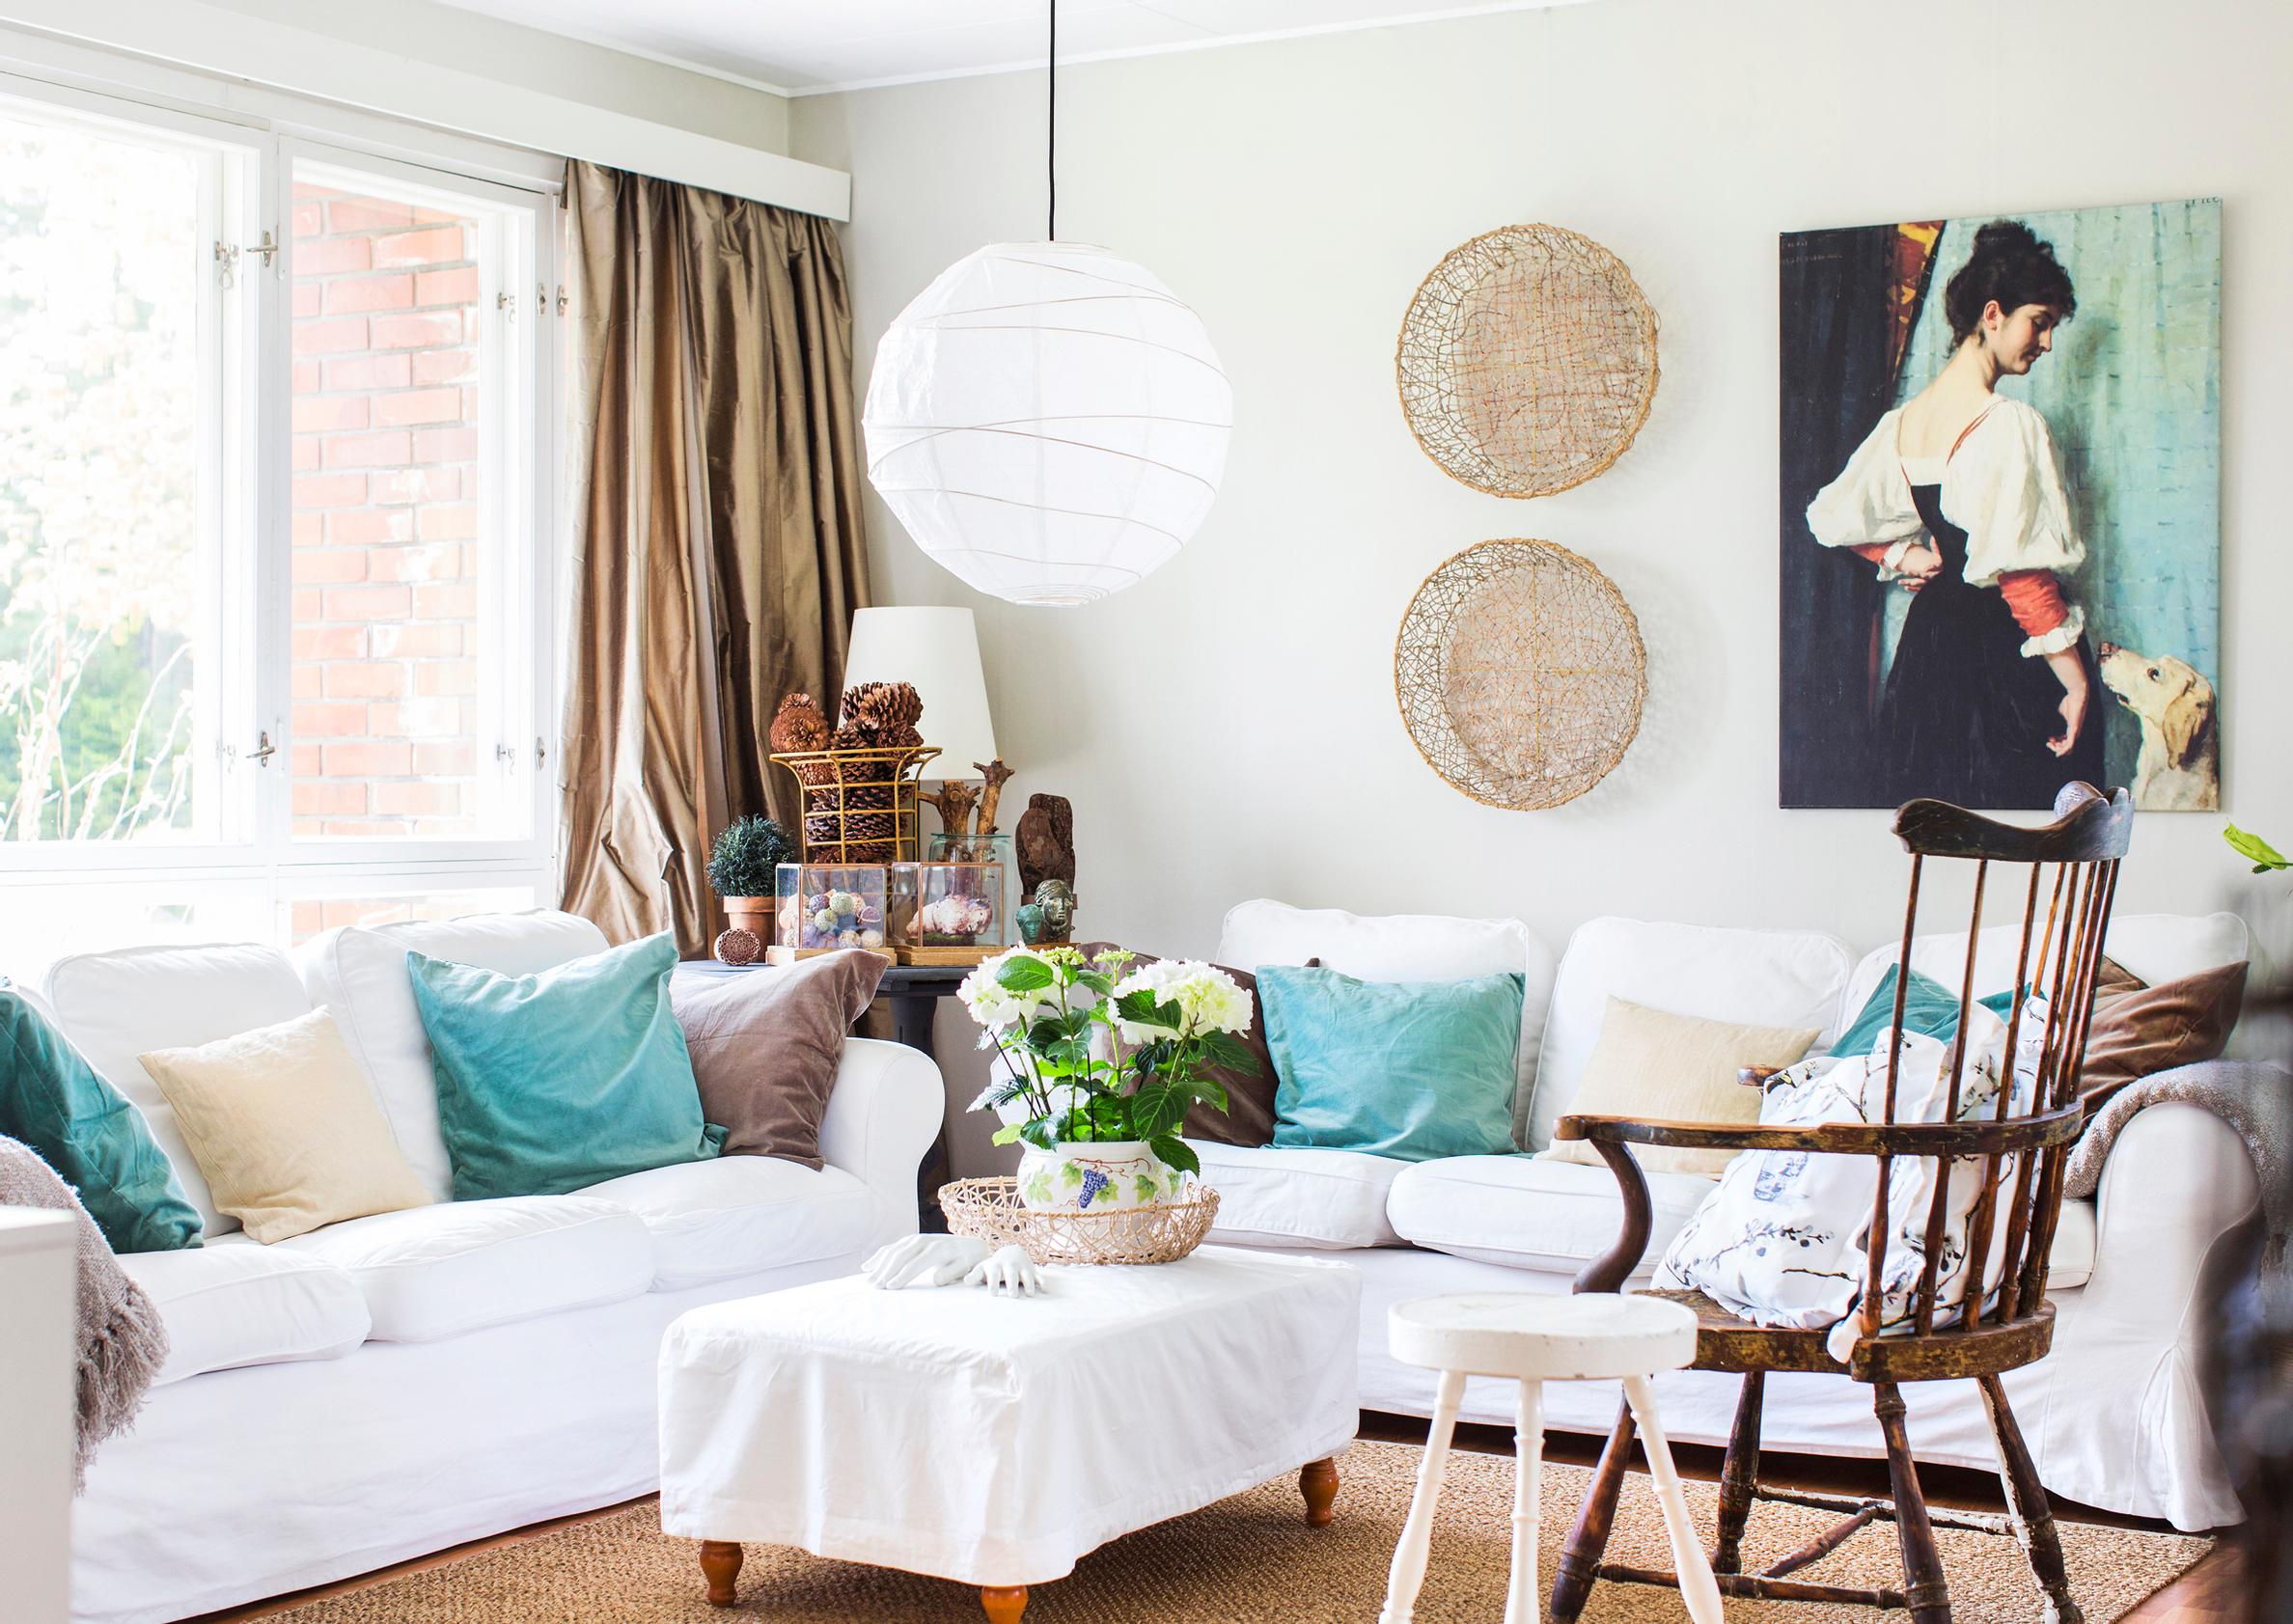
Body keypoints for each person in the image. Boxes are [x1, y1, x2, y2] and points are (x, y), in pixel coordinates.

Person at [1808, 220, 2103, 808]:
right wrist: (2074, 682)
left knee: (1940, 813)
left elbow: (1834, 518)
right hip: (2003, 651)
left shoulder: (1905, 422)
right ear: (1993, 315)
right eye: (2039, 322)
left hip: (1932, 647)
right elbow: (2021, 577)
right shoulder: (2008, 424)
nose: (2046, 343)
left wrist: (1902, 554)